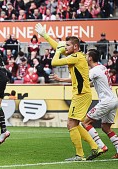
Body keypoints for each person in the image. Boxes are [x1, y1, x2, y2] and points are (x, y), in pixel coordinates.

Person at [35, 23, 103, 161]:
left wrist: (58, 51)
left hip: (81, 95)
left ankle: (80, 155)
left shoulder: (75, 57)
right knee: (75, 124)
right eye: (65, 46)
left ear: (75, 46)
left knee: (71, 124)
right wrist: (46, 36)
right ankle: (95, 147)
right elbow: (58, 47)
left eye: (67, 46)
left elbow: (54, 62)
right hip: (82, 94)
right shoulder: (77, 55)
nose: (65, 48)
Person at [81, 49, 118, 159]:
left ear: (90, 58)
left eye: (86, 55)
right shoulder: (102, 67)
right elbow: (94, 83)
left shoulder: (94, 70)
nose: (85, 57)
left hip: (106, 101)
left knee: (85, 122)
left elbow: (82, 81)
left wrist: (61, 79)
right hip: (114, 100)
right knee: (106, 127)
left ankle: (101, 146)